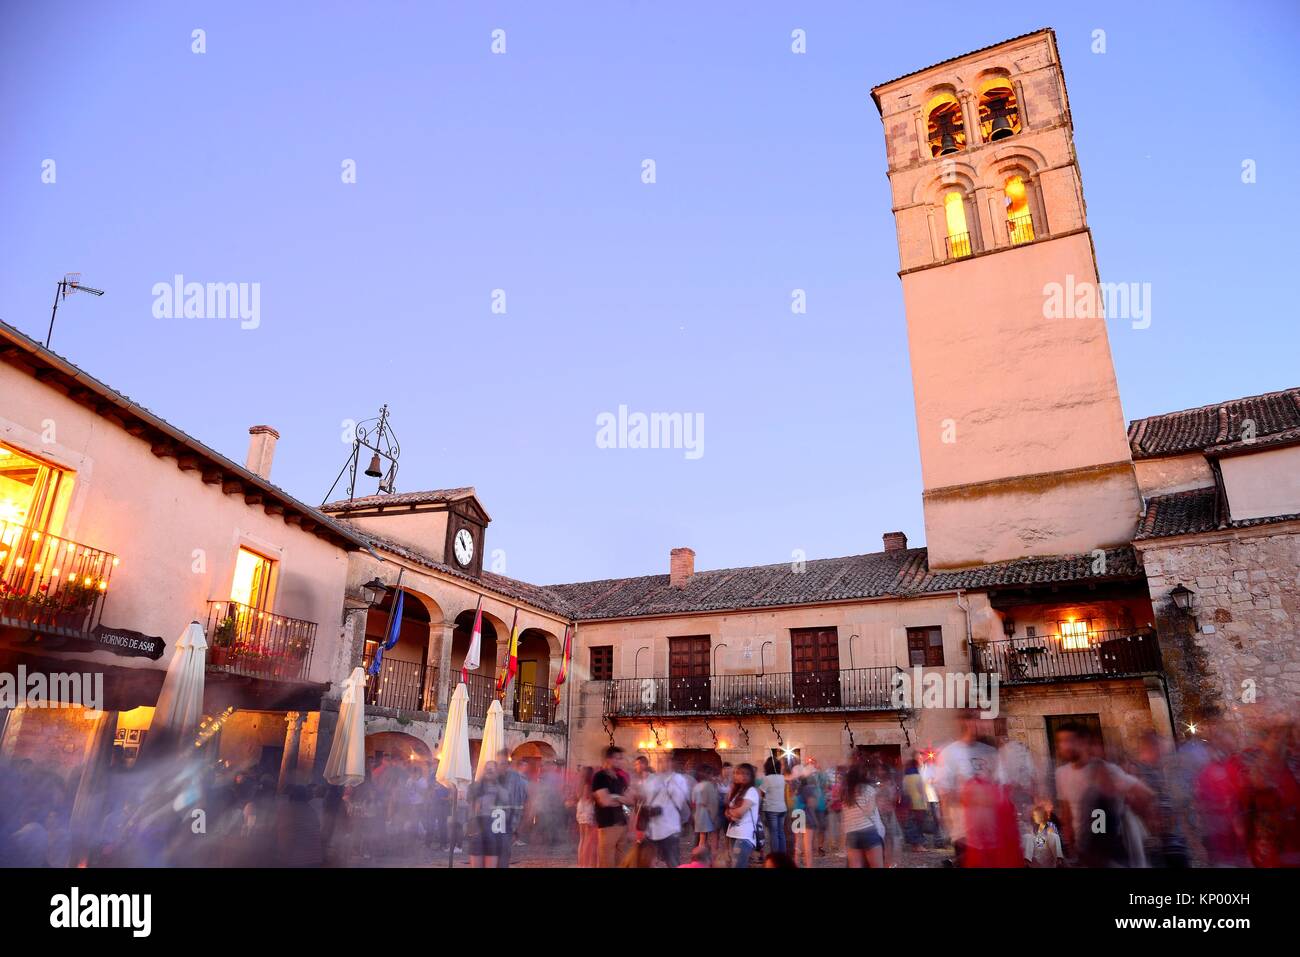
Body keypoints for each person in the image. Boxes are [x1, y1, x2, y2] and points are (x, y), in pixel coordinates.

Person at [642, 753, 691, 867]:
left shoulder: (678, 779)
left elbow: (680, 801)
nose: (663, 764)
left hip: (669, 828)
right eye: (661, 761)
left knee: (672, 861)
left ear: (672, 763)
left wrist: (669, 787)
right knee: (651, 862)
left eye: (667, 761)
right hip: (652, 829)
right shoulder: (652, 779)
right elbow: (645, 798)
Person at [592, 746, 632, 867]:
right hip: (607, 826)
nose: (620, 761)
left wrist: (614, 797)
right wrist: (620, 799)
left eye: (621, 758)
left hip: (622, 825)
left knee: (622, 863)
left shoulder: (620, 779)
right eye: (617, 758)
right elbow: (604, 801)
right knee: (606, 864)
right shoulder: (600, 777)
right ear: (608, 759)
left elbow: (630, 800)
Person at [841, 761, 885, 868]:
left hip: (851, 833)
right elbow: (870, 812)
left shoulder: (846, 794)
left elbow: (844, 816)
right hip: (868, 831)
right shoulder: (868, 789)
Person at [495, 749, 529, 867]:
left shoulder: (515, 778)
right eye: (499, 763)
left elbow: (518, 803)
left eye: (504, 763)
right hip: (492, 822)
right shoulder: (492, 776)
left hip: (507, 823)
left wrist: (516, 828)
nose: (502, 766)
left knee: (504, 854)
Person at [467, 761, 504, 868]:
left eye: (492, 769)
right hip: (477, 825)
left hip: (494, 826)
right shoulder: (475, 787)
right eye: (487, 768)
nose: (489, 770)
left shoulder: (502, 788)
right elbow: (470, 802)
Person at [275, 784, 323, 867]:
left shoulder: (286, 808)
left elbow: (276, 829)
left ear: (291, 795)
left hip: (295, 860)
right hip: (315, 858)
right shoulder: (311, 810)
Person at [723, 763, 761, 868]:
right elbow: (727, 811)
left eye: (746, 774)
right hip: (734, 833)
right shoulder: (737, 791)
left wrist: (730, 812)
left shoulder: (751, 791)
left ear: (751, 776)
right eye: (739, 773)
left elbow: (740, 813)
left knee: (738, 865)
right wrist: (730, 812)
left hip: (745, 835)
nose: (743, 776)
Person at [759, 756, 788, 855]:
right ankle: (782, 856)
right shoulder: (782, 777)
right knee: (781, 833)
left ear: (767, 767)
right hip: (782, 808)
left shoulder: (766, 779)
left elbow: (761, 793)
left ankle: (775, 858)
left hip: (771, 808)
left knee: (774, 833)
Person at [692, 765, 720, 859]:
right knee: (712, 837)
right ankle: (709, 858)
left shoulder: (697, 786)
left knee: (702, 838)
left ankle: (699, 857)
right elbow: (711, 803)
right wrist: (714, 817)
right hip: (706, 814)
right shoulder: (709, 785)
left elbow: (693, 800)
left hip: (698, 813)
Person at [575, 766, 598, 868]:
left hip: (580, 807)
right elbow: (588, 797)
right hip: (587, 809)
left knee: (582, 838)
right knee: (588, 840)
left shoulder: (580, 783)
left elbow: (578, 796)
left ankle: (581, 863)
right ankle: (586, 863)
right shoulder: (588, 784)